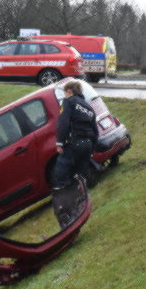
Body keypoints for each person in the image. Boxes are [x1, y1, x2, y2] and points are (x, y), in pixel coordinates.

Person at [51, 80, 98, 228]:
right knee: (79, 178)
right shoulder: (89, 108)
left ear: (69, 92)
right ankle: (80, 209)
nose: (64, 95)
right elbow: (95, 132)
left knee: (59, 178)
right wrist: (91, 149)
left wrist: (59, 142)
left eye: (65, 92)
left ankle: (66, 218)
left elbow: (63, 122)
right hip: (87, 145)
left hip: (74, 144)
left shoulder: (69, 102)